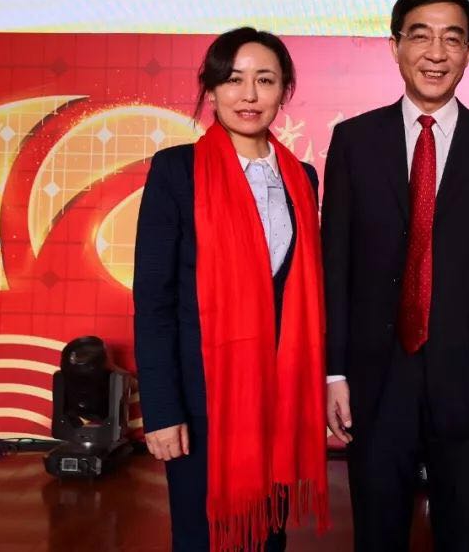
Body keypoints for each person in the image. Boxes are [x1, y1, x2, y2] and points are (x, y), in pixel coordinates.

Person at [322, 0, 469, 552]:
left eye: (452, 39)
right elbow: (335, 266)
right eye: (420, 36)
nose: (436, 53)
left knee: (465, 533)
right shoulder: (353, 141)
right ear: (395, 46)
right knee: (376, 533)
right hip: (374, 381)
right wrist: (334, 373)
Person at [133, 27, 329, 552]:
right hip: (203, 398)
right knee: (202, 536)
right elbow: (153, 303)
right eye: (234, 79)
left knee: (269, 533)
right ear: (212, 88)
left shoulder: (302, 178)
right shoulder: (176, 171)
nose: (249, 95)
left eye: (265, 80)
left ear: (284, 90)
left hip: (278, 398)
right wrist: (163, 410)